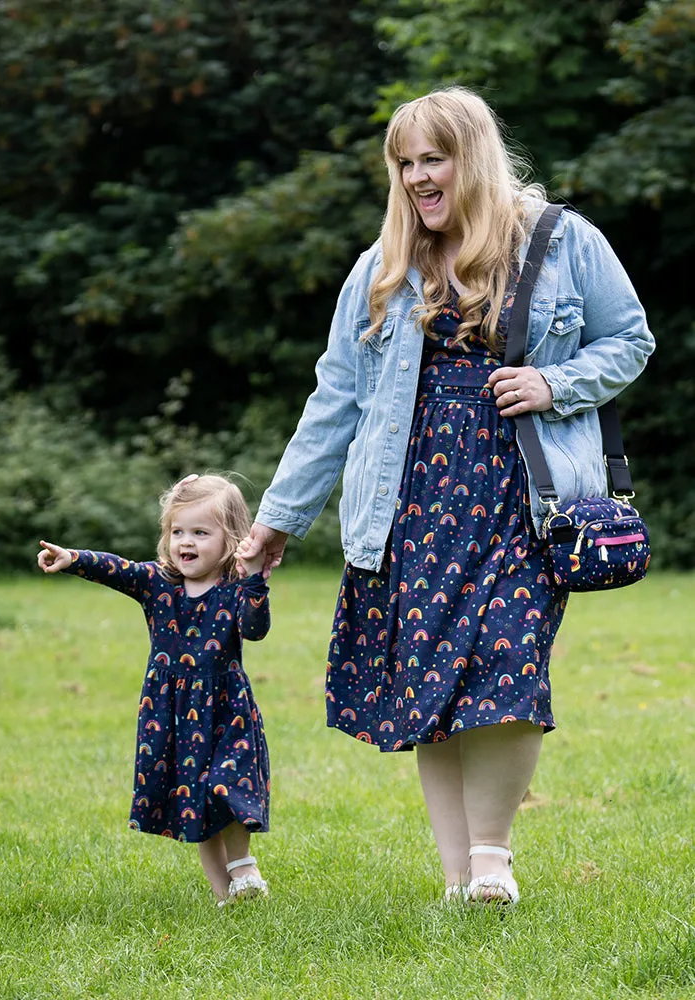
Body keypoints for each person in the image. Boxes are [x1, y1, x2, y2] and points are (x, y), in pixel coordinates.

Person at [237, 87, 655, 905]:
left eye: (434, 158)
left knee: (508, 663)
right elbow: (334, 403)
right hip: (411, 504)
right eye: (404, 163)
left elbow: (630, 336)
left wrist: (555, 381)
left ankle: (493, 857)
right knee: (433, 684)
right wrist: (277, 520)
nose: (418, 177)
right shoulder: (382, 267)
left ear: (474, 157)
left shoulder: (563, 242)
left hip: (525, 499)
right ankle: (460, 878)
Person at [37, 473, 272, 906]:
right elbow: (116, 569)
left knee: (228, 782)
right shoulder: (157, 583)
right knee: (196, 799)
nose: (186, 542)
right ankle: (225, 899)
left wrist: (255, 578)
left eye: (201, 533)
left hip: (226, 708)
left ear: (232, 539)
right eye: (178, 531)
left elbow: (256, 630)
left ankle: (241, 866)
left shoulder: (235, 590)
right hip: (173, 714)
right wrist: (73, 557)